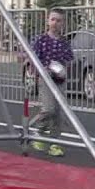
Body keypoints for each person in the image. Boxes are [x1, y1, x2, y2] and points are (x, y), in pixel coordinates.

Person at [28, 9, 73, 157]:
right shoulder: (41, 40)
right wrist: (40, 71)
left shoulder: (64, 42)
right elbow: (33, 58)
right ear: (48, 21)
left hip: (59, 80)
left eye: (58, 20)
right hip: (45, 79)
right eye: (53, 19)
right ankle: (39, 131)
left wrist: (63, 69)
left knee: (58, 112)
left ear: (62, 23)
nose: (55, 23)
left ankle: (55, 143)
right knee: (49, 109)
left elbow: (69, 59)